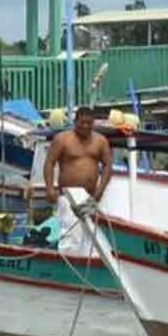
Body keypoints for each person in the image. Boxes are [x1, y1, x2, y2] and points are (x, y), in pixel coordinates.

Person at [44, 106, 113, 253]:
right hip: (68, 196)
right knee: (70, 236)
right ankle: (68, 268)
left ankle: (88, 269)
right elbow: (49, 163)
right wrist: (49, 188)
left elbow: (107, 166)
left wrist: (100, 191)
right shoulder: (62, 139)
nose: (86, 126)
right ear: (75, 121)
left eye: (89, 123)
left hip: (91, 196)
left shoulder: (100, 141)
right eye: (82, 122)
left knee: (93, 238)